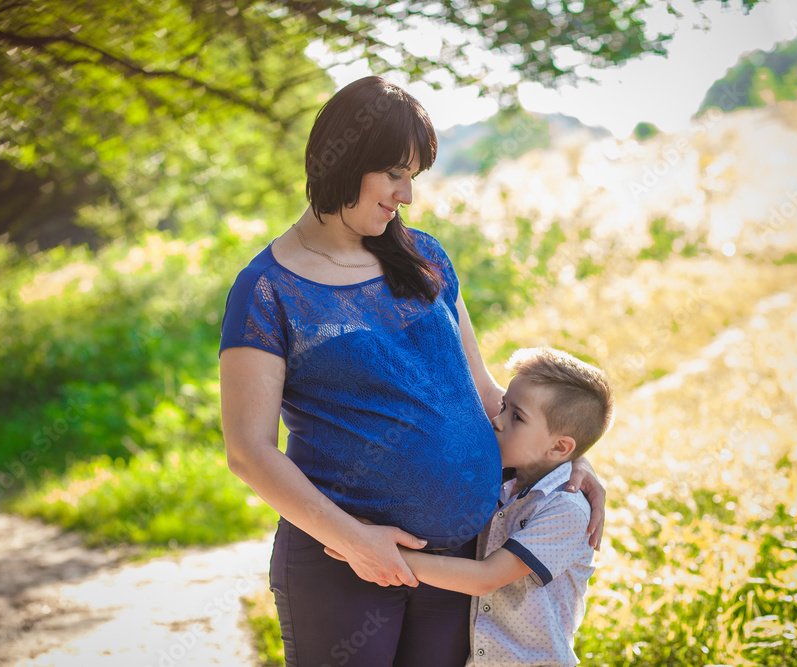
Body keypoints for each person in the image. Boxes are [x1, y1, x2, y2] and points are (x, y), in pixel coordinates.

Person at [218, 76, 606, 667]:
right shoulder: (267, 289)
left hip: (461, 556)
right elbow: (249, 452)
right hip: (343, 565)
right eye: (395, 174)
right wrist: (355, 542)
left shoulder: (425, 258)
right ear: (344, 161)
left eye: (414, 177)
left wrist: (568, 461)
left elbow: (482, 391)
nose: (407, 194)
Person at [380, 347, 614, 666]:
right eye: (504, 406)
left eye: (516, 417)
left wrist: (387, 555)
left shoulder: (566, 509)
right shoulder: (502, 480)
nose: (496, 420)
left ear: (560, 447)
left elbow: (486, 578)